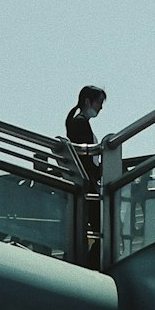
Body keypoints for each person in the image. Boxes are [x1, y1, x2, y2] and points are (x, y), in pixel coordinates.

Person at [66, 85, 107, 265]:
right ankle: (91, 264)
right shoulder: (80, 123)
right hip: (88, 185)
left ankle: (91, 262)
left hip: (88, 183)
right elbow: (87, 160)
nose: (100, 107)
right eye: (99, 102)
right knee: (103, 228)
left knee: (99, 227)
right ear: (88, 101)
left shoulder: (77, 122)